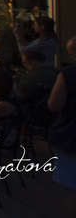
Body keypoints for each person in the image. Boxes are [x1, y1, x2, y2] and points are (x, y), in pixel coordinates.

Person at [48, 37, 76, 205]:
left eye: (72, 53)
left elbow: (55, 105)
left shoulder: (69, 74)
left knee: (73, 189)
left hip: (72, 137)